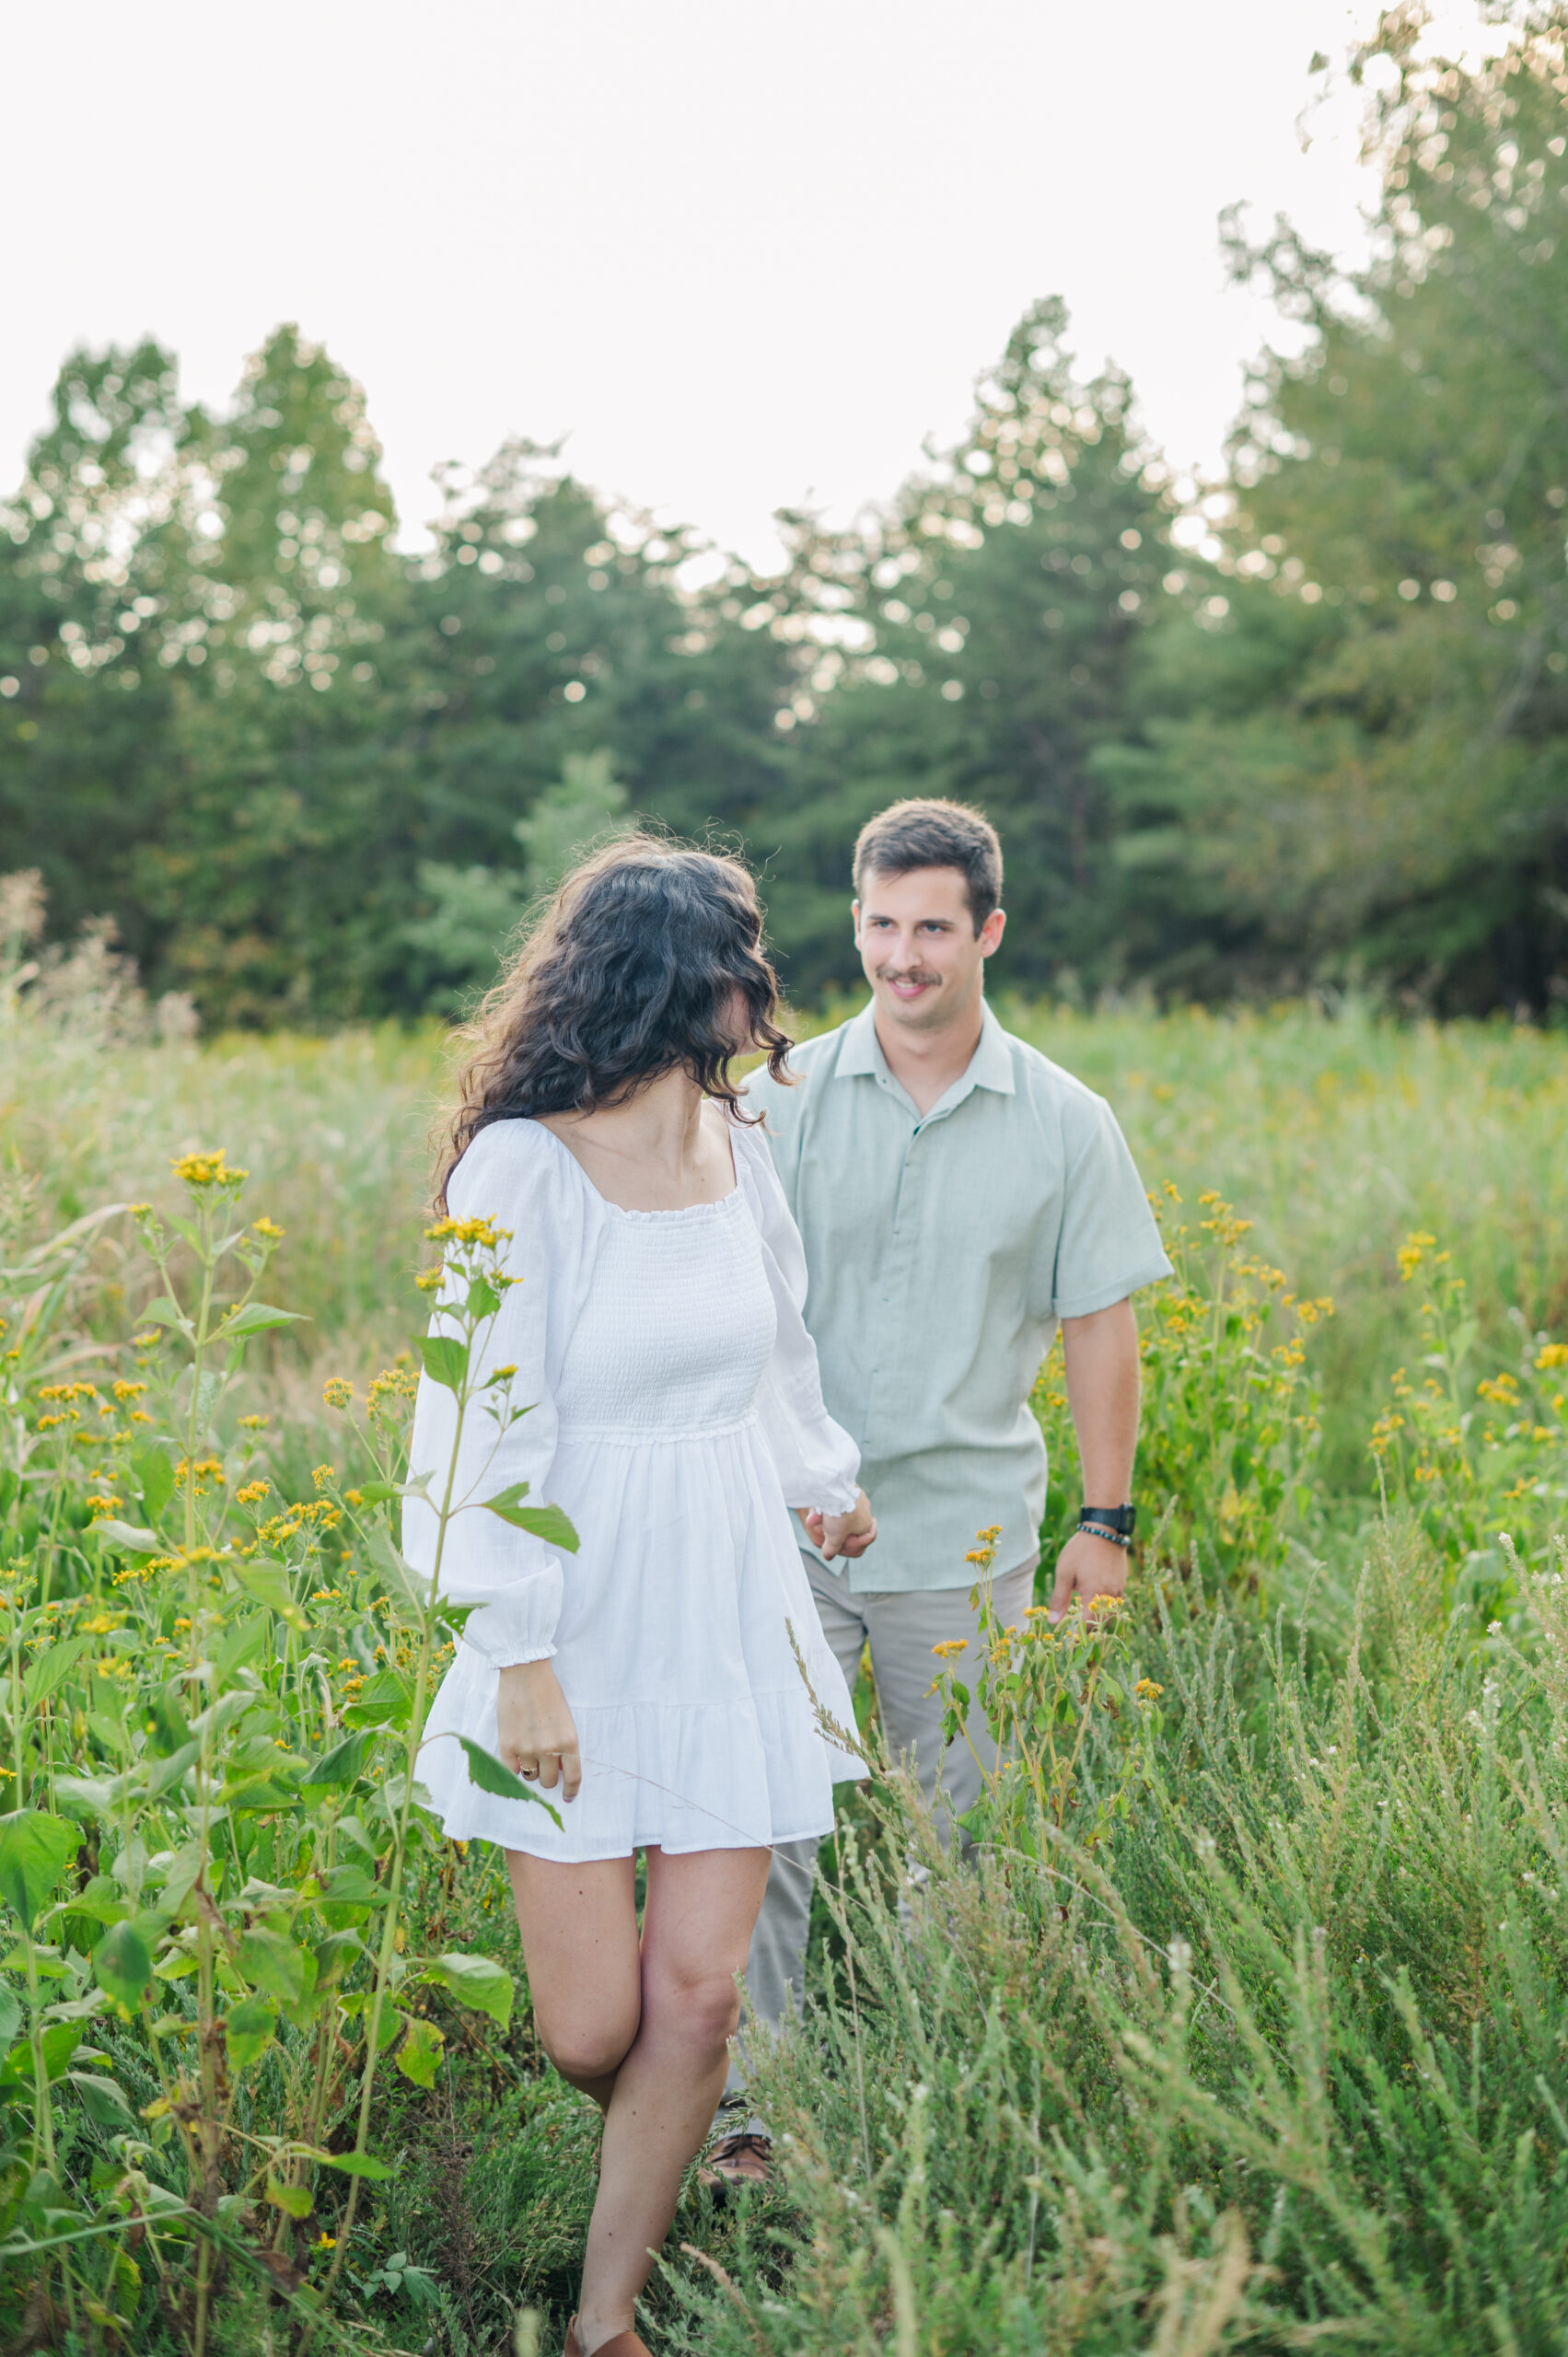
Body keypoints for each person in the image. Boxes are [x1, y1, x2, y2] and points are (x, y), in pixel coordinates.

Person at [402, 838, 877, 2357]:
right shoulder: (522, 1165)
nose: (764, 987)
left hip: (729, 1590)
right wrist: (515, 1652)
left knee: (703, 1996)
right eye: (745, 958)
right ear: (687, 978)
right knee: (593, 2027)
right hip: (570, 1609)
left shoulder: (741, 1146)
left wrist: (823, 1474)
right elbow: (468, 1425)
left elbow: (779, 1344)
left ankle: (608, 2319)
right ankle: (653, 2143)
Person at [704, 796, 1172, 2187]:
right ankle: (750, 2122)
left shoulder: (1067, 1123)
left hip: (961, 1540)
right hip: (777, 1531)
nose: (903, 957)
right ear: (854, 925)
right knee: (761, 1831)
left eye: (933, 929)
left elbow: (1099, 1326)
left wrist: (1107, 1519)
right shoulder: (769, 1099)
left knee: (954, 1842)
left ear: (989, 934)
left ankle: (923, 2106)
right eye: (882, 925)